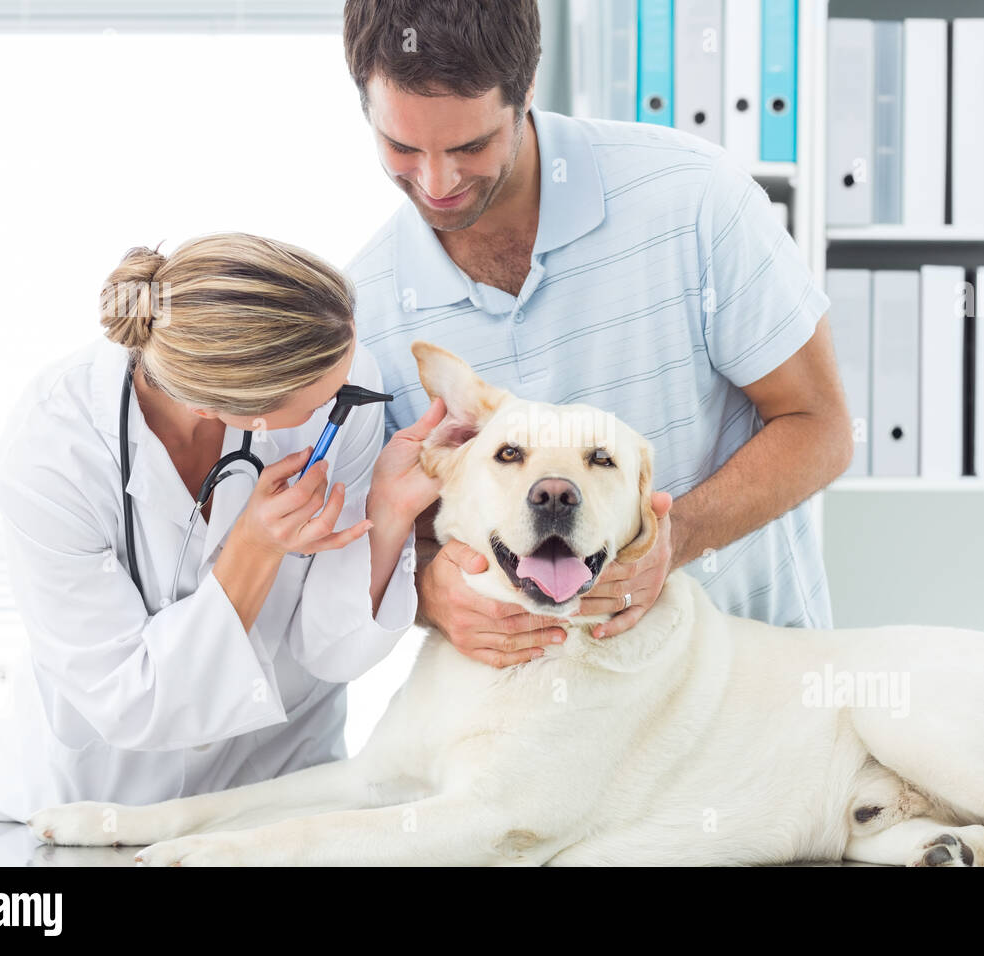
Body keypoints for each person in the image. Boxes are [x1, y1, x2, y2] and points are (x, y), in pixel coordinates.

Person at [342, 0, 854, 669]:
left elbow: (821, 426)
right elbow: (383, 532)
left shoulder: (694, 198)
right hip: (540, 746)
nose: (437, 183)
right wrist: (426, 588)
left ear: (526, 89)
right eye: (402, 147)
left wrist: (674, 537)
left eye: (471, 146)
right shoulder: (365, 309)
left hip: (751, 698)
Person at [0, 232, 445, 822]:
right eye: (319, 402)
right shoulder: (52, 453)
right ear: (222, 407)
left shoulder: (335, 376)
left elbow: (331, 652)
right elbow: (131, 698)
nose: (342, 400)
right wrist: (254, 547)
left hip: (277, 790)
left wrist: (391, 512)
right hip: (98, 802)